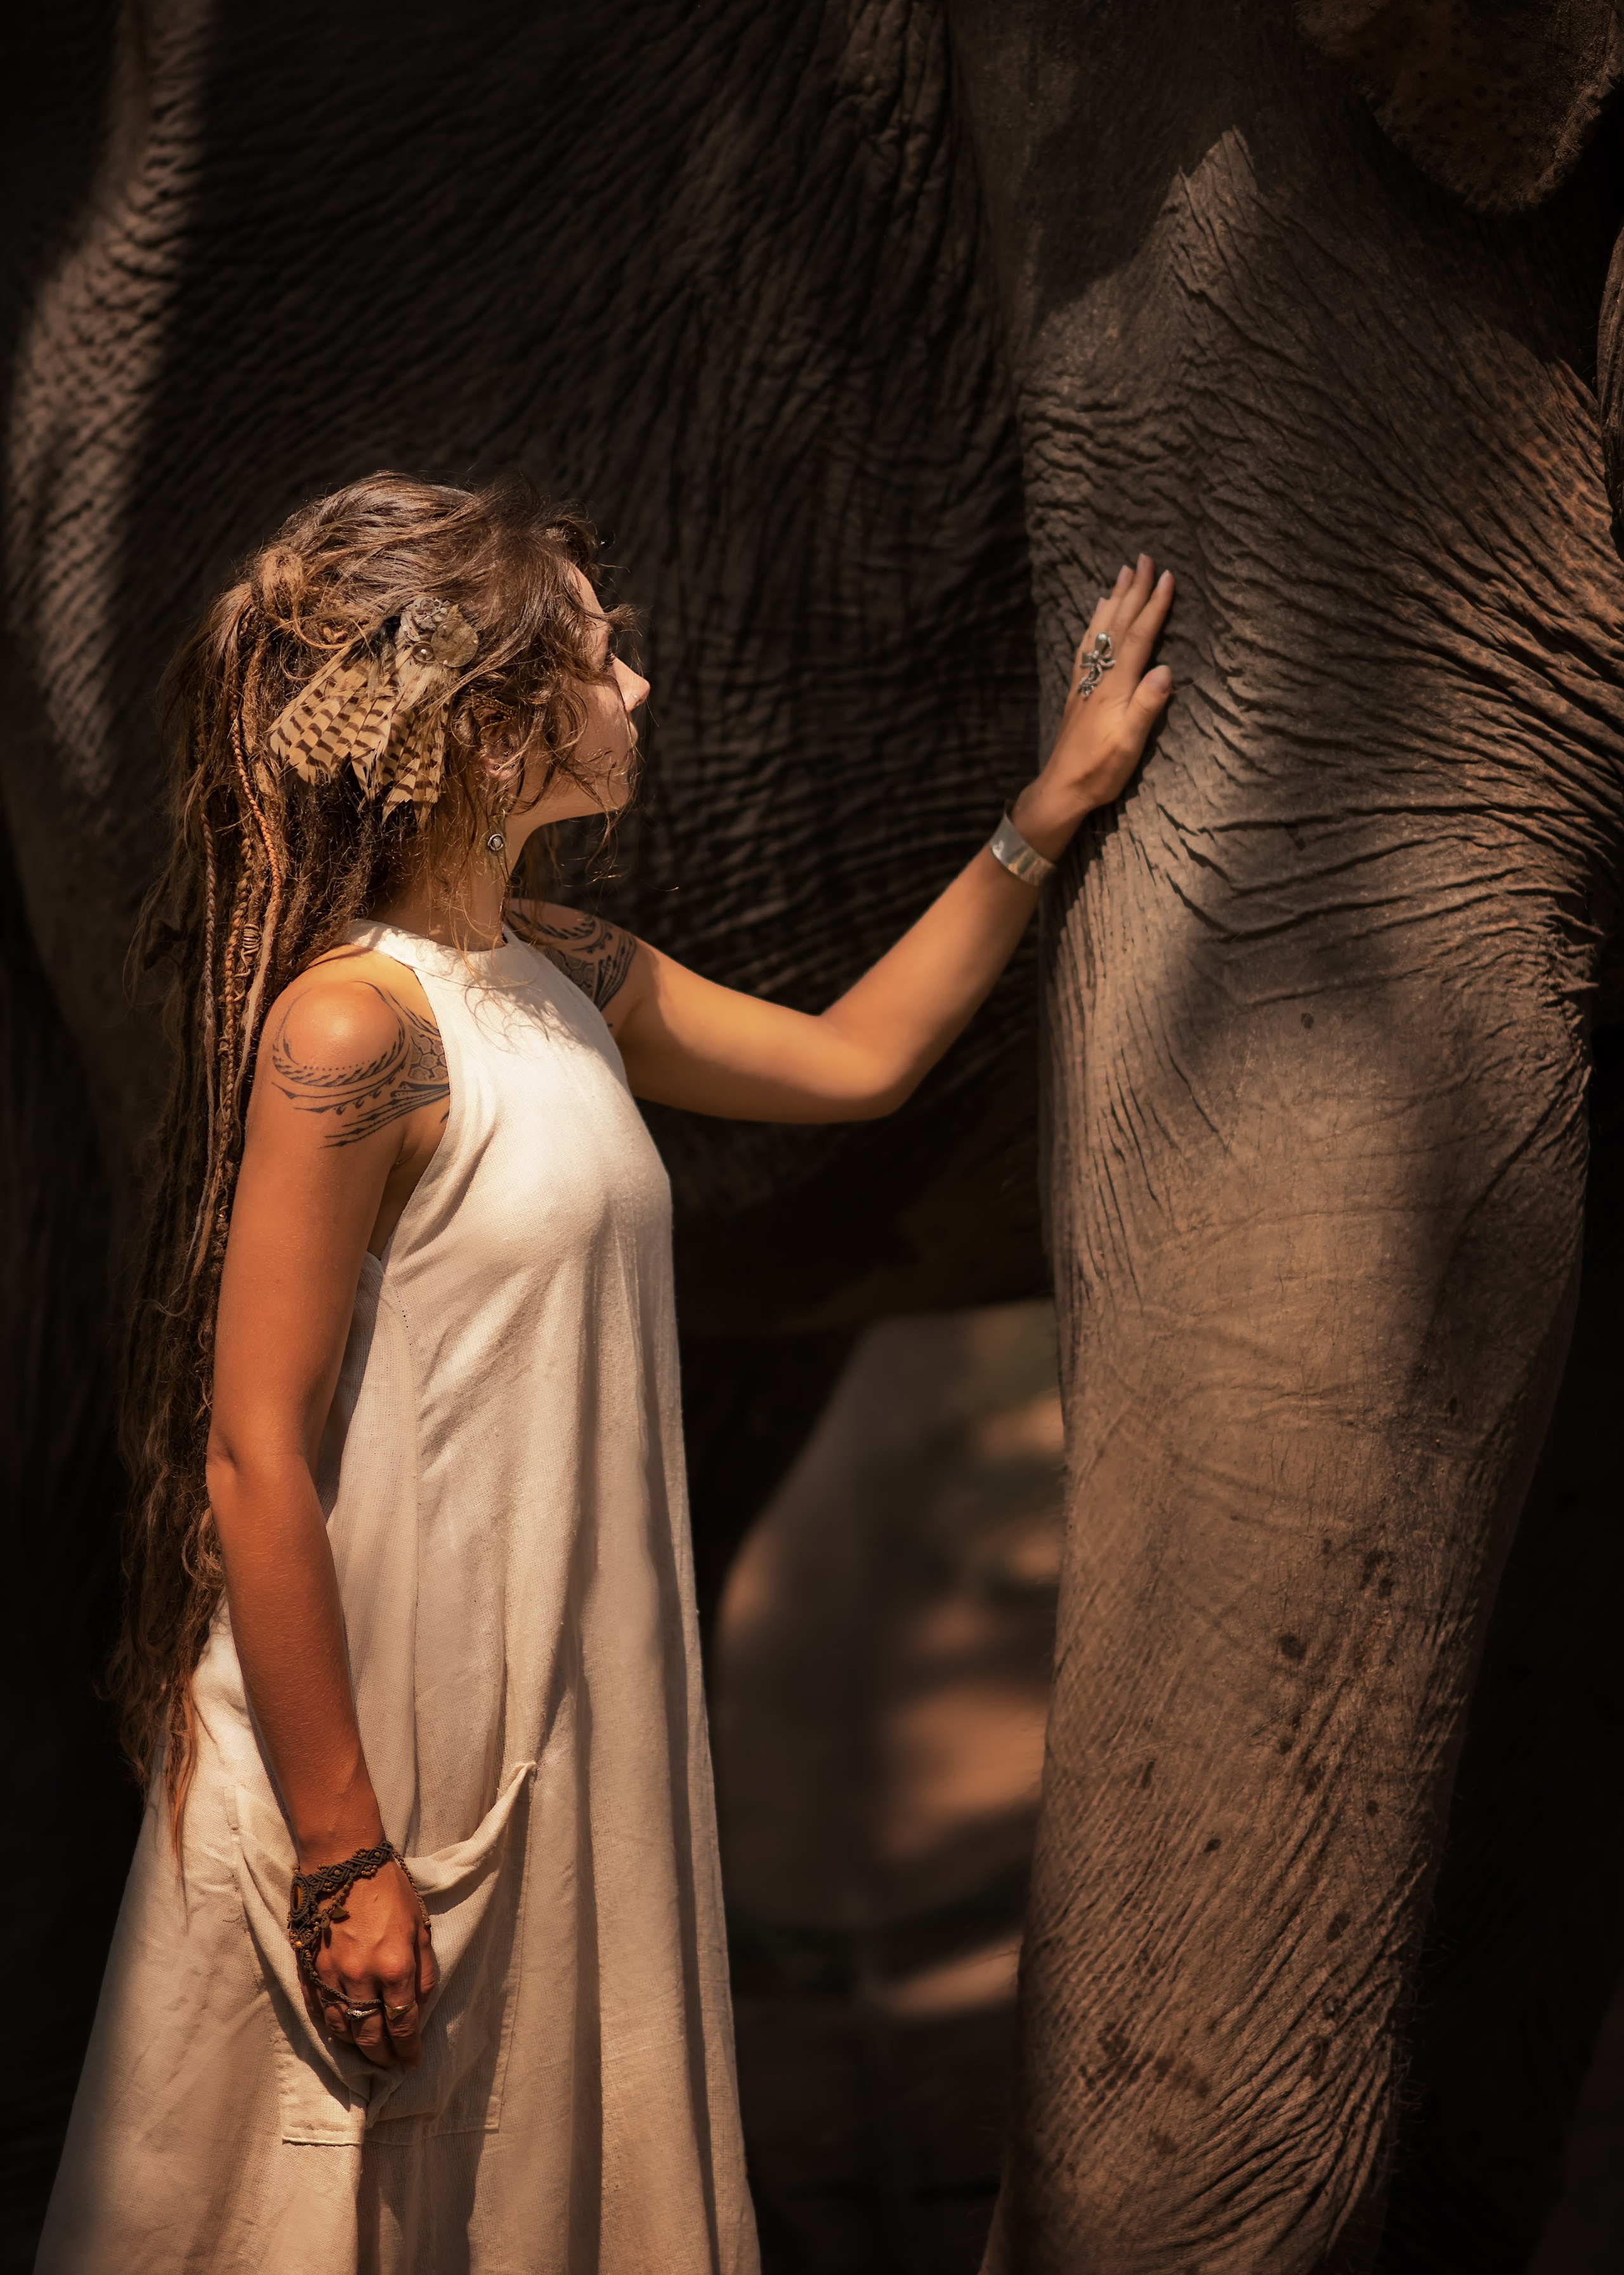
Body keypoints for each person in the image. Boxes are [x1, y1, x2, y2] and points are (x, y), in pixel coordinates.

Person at [36, 473, 1174, 2274]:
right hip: (390, 1738)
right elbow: (253, 1451)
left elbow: (858, 1059)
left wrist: (1048, 811)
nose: (636, 686)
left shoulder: (572, 977)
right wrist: (345, 1855)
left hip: (568, 1696)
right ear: (494, 735)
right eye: (597, 655)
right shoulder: (353, 1028)